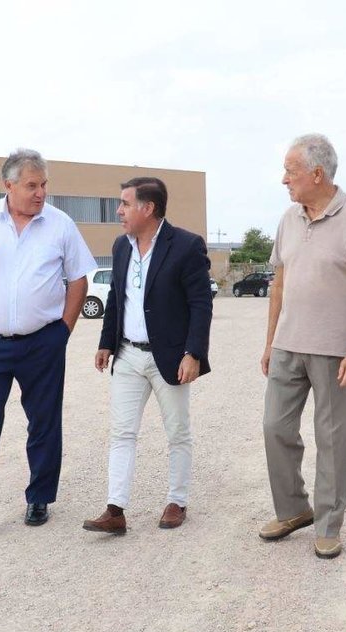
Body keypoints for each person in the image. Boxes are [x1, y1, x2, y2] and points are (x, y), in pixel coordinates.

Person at [0, 149, 96, 530]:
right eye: (31, 185)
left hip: (42, 342)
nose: (40, 192)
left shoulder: (59, 224)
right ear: (8, 185)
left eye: (43, 184)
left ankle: (39, 499)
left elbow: (79, 278)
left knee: (44, 423)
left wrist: (64, 330)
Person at [258, 134, 346, 559]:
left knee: (332, 441)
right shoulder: (288, 219)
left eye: (290, 171)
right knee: (275, 428)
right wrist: (269, 342)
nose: (284, 179)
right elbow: (278, 284)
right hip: (288, 346)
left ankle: (329, 524)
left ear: (317, 173)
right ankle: (295, 509)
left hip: (336, 351)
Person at [83, 177, 212, 534]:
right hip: (127, 355)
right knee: (122, 433)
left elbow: (201, 304)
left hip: (168, 357)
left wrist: (193, 353)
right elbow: (116, 298)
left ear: (148, 208)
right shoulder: (121, 247)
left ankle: (177, 500)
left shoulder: (186, 246)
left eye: (125, 203)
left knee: (177, 432)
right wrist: (106, 342)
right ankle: (115, 510)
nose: (119, 211)